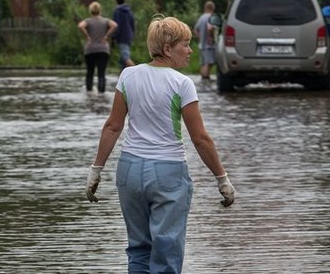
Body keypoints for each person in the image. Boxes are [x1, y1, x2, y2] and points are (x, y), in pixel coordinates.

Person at [85, 15, 236, 273]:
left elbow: (113, 126)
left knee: (138, 248)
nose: (190, 51)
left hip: (129, 171)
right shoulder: (182, 84)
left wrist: (96, 170)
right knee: (166, 251)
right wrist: (221, 178)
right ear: (167, 48)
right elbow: (200, 138)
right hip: (168, 173)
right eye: (185, 45)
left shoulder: (128, 75)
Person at [77, 1, 118, 93]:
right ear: (100, 10)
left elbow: (80, 26)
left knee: (90, 73)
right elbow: (115, 25)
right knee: (101, 74)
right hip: (103, 49)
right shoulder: (105, 21)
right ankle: (101, 94)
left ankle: (89, 92)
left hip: (90, 49)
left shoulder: (88, 21)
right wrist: (106, 36)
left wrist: (87, 36)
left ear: (90, 10)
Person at [194, 1, 216, 81]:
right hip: (209, 44)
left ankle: (203, 79)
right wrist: (212, 38)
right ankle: (206, 79)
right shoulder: (212, 17)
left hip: (202, 44)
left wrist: (200, 38)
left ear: (205, 8)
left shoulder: (201, 17)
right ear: (213, 8)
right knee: (209, 62)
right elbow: (211, 29)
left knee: (203, 63)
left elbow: (196, 29)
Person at [112, 0, 135, 71]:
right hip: (129, 36)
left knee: (125, 57)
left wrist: (114, 37)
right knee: (122, 60)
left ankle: (136, 71)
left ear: (116, 2)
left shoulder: (117, 12)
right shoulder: (129, 11)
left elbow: (116, 25)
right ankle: (121, 80)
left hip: (121, 37)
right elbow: (132, 24)